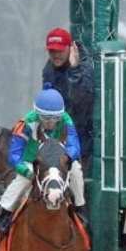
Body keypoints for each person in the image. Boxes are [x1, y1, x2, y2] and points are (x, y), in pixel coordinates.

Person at [0, 89, 86, 235]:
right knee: (22, 180)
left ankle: (80, 207)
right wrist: (25, 170)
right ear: (37, 114)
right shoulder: (27, 123)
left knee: (75, 169)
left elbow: (74, 145)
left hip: (58, 161)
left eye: (55, 118)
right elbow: (14, 154)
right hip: (35, 160)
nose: (50, 123)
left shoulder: (67, 120)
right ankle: (5, 211)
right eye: (45, 118)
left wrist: (68, 158)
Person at [42, 28, 94, 163]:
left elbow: (82, 102)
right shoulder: (49, 69)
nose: (56, 55)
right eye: (52, 51)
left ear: (70, 48)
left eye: (60, 50)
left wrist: (74, 69)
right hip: (60, 134)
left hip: (85, 137)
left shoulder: (84, 65)